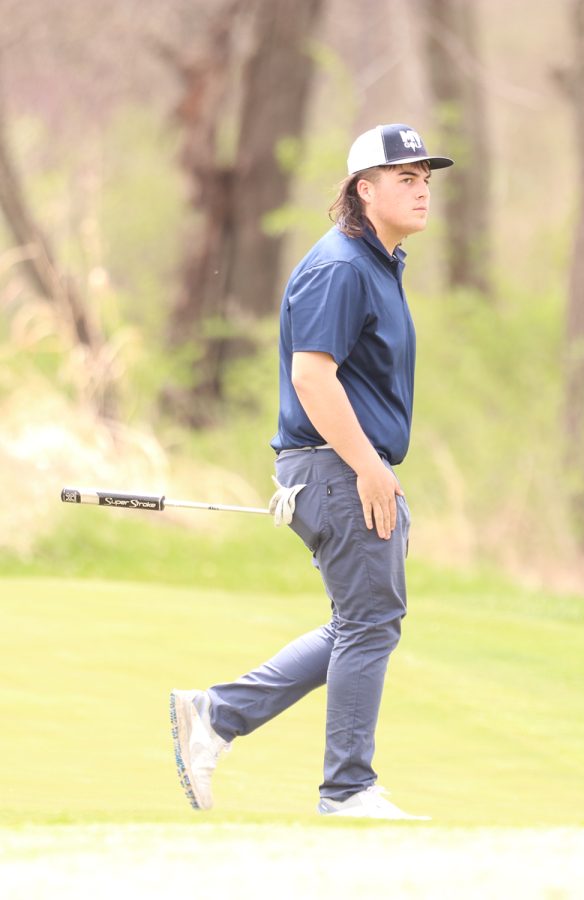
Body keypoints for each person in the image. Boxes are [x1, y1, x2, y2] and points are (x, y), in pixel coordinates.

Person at [171, 123, 453, 820]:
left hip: (341, 465)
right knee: (370, 622)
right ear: (365, 189)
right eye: (404, 179)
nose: (421, 192)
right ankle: (347, 788)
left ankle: (215, 714)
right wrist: (367, 467)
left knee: (359, 621)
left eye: (425, 179)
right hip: (336, 465)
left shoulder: (378, 264)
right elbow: (312, 377)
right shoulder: (343, 267)